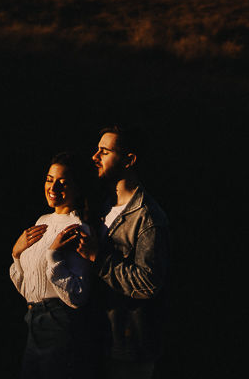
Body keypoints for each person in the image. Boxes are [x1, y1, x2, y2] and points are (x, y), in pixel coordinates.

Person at [76, 125, 170, 379]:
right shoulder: (101, 207)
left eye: (104, 152)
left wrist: (99, 260)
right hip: (97, 336)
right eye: (97, 150)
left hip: (128, 346)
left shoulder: (147, 216)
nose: (95, 157)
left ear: (129, 160)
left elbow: (148, 282)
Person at [10, 153, 93, 379]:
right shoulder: (42, 221)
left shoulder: (77, 228)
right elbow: (28, 289)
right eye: (49, 179)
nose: (53, 186)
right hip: (33, 320)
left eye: (63, 182)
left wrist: (53, 257)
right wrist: (16, 253)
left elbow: (77, 297)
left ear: (77, 187)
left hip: (59, 323)